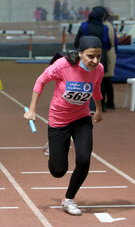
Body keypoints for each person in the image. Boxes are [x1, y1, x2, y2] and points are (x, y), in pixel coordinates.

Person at [24, 36, 104, 216]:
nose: (95, 61)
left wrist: (98, 110)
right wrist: (32, 109)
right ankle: (53, 147)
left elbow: (96, 88)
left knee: (84, 159)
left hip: (82, 118)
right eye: (91, 56)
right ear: (81, 53)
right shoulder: (63, 65)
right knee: (58, 171)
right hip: (59, 120)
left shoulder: (98, 69)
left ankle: (69, 200)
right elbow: (40, 81)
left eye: (99, 56)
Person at [74, 7, 111, 112]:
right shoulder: (104, 28)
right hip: (100, 56)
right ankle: (101, 105)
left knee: (83, 79)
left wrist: (81, 52)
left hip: (85, 56)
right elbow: (107, 43)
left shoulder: (84, 25)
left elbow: (77, 41)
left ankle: (82, 105)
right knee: (99, 81)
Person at [93, 6, 118, 109]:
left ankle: (108, 102)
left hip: (108, 54)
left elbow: (111, 42)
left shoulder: (107, 26)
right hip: (107, 53)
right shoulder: (105, 25)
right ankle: (109, 102)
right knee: (106, 80)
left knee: (105, 79)